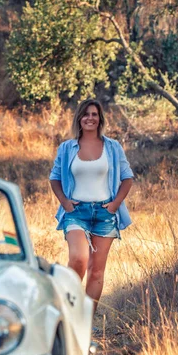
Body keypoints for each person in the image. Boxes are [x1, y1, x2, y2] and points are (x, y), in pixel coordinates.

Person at [49, 98, 134, 312]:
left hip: (105, 214)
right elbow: (55, 178)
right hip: (76, 212)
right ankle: (66, 308)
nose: (90, 118)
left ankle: (86, 321)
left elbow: (127, 177)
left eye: (94, 114)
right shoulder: (67, 148)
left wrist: (115, 205)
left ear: (100, 118)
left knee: (96, 271)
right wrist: (66, 204)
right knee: (78, 259)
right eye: (86, 114)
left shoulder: (113, 147)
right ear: (79, 118)